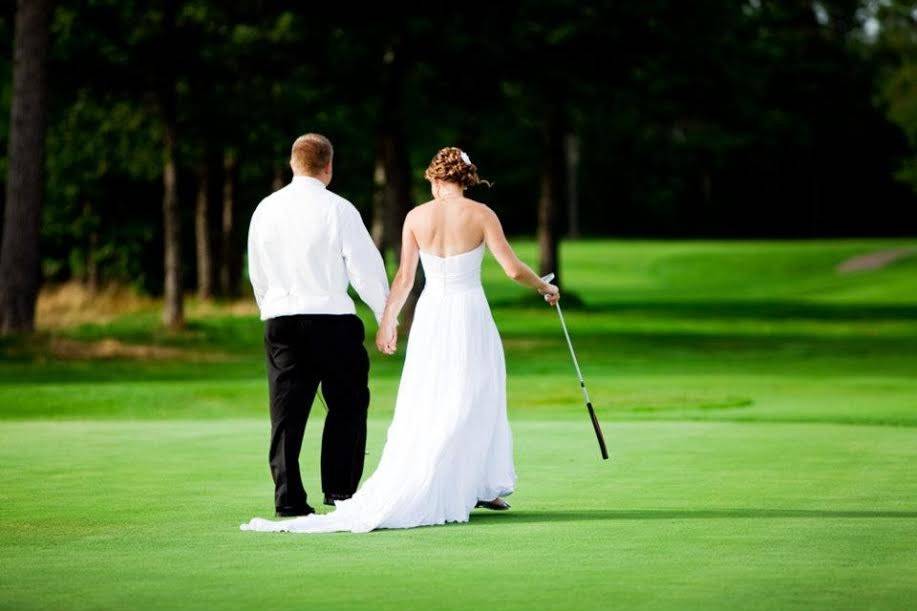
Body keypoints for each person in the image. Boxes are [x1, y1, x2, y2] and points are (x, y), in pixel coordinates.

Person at [241, 146, 559, 533]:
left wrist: (389, 319)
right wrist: (544, 287)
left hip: (428, 315)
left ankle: (463, 483)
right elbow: (511, 269)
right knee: (475, 393)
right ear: (466, 177)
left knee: (428, 396)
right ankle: (471, 484)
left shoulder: (415, 217)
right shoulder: (481, 215)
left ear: (433, 177)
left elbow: (404, 279)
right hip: (468, 313)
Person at [246, 133, 390, 518]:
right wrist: (385, 316)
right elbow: (365, 269)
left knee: (286, 413)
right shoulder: (339, 208)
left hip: (281, 320)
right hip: (333, 321)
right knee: (348, 403)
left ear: (293, 164)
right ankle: (341, 492)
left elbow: (257, 270)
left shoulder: (265, 209)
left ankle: (289, 498)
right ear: (328, 167)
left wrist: (270, 308)